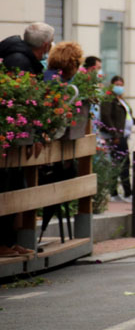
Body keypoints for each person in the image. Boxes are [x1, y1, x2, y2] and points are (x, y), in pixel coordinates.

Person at [0, 22, 54, 257]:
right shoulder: (19, 61)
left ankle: (10, 242)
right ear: (45, 45)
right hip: (10, 139)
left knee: (16, 188)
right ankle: (3, 243)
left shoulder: (20, 57)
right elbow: (24, 102)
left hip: (16, 138)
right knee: (7, 189)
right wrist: (35, 133)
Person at [100, 76, 135, 202]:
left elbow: (128, 118)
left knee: (121, 164)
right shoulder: (109, 99)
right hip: (117, 137)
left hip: (123, 136)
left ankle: (120, 192)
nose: (119, 87)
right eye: (117, 84)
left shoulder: (121, 100)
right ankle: (123, 193)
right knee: (121, 164)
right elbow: (106, 116)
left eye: (121, 84)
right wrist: (114, 134)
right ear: (112, 85)